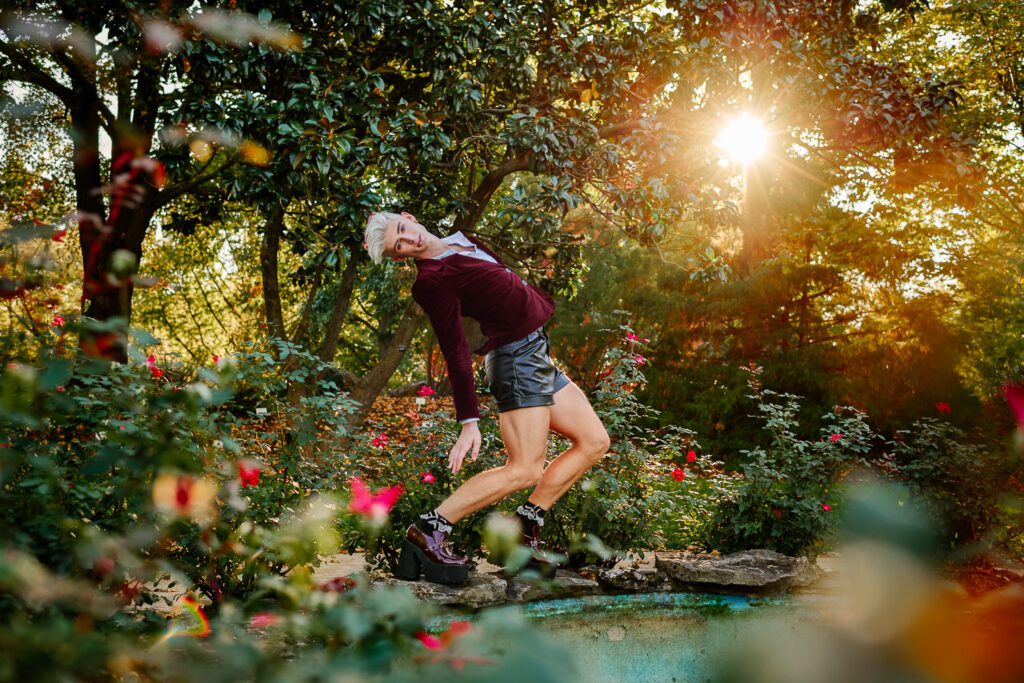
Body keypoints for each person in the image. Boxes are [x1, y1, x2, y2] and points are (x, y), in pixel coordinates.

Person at [363, 211, 610, 584]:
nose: (408, 240)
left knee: (594, 441)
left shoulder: (462, 240)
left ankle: (525, 530)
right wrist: (469, 421)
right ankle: (428, 530)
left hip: (535, 352)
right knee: (525, 468)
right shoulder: (431, 282)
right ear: (400, 257)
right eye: (398, 246)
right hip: (515, 361)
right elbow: (455, 349)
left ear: (410, 218)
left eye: (402, 230)